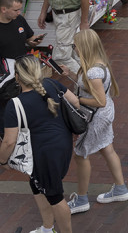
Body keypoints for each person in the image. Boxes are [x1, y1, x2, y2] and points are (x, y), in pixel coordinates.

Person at [0, 56, 78, 233]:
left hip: (44, 154)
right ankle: (47, 228)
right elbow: (75, 102)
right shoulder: (51, 84)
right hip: (63, 144)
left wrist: (3, 161)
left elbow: (9, 141)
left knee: (55, 196)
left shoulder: (16, 104)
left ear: (18, 77)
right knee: (37, 186)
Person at [66, 29, 128, 214]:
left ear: (84, 47)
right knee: (107, 148)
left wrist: (77, 101)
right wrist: (69, 72)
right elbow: (94, 92)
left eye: (75, 46)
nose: (74, 49)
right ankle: (120, 188)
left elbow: (98, 101)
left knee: (80, 155)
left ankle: (82, 199)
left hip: (96, 117)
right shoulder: (99, 65)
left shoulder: (93, 71)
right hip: (105, 113)